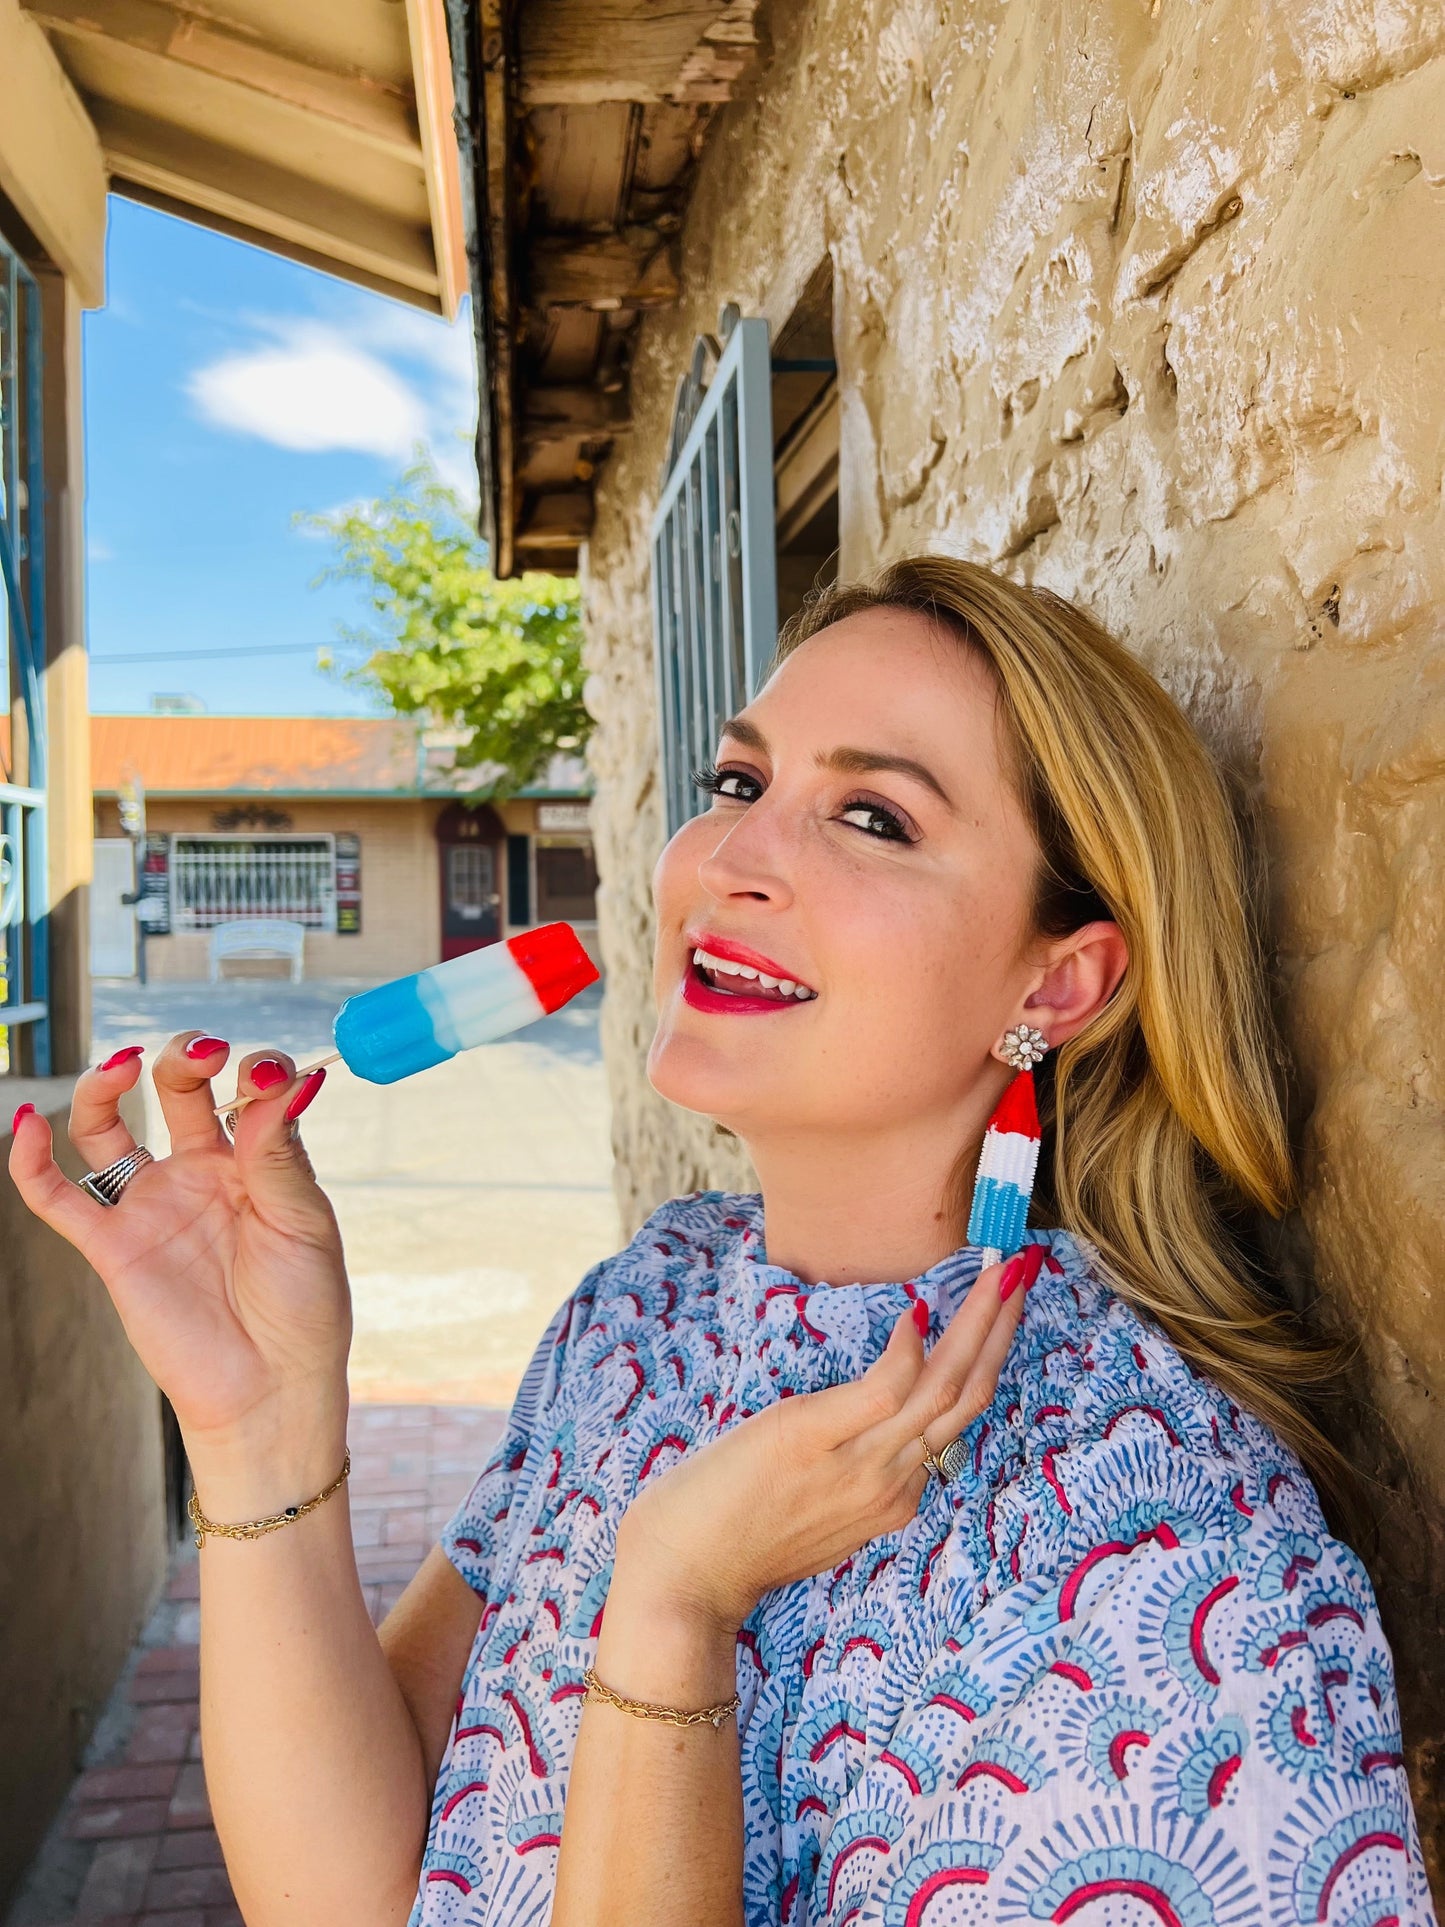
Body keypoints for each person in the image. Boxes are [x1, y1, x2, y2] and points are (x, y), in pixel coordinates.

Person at [10, 558, 1432, 1927]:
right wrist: (259, 1425)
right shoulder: (649, 1304)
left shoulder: (1165, 1550)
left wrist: (675, 1610)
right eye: (740, 784)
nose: (731, 856)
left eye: (870, 816)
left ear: (1056, 985)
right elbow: (350, 1895)